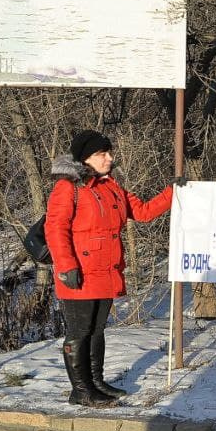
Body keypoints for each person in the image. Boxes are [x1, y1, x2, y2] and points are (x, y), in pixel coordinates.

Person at [45, 130, 173, 407]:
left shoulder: (111, 186)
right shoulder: (68, 187)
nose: (109, 158)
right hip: (79, 272)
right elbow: (55, 228)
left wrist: (174, 192)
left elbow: (144, 212)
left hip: (106, 270)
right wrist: (66, 266)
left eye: (108, 152)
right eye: (102, 154)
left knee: (97, 329)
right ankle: (81, 390)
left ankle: (96, 382)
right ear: (85, 159)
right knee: (80, 331)